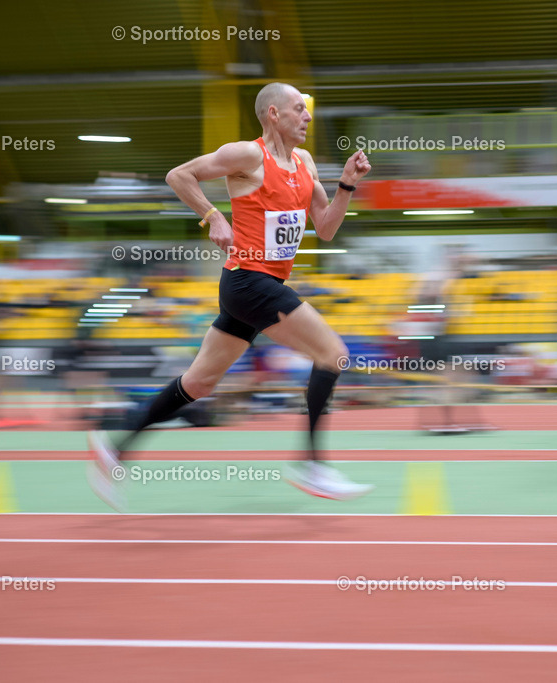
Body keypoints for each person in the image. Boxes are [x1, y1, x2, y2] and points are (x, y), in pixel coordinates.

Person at [88, 82, 374, 509]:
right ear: (273, 114)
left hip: (259, 287)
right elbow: (178, 175)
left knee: (199, 384)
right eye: (299, 109)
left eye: (308, 110)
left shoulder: (306, 163)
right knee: (332, 354)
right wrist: (212, 215)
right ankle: (313, 466)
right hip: (247, 281)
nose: (308, 117)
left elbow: (327, 228)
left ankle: (116, 448)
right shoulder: (247, 154)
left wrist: (347, 186)